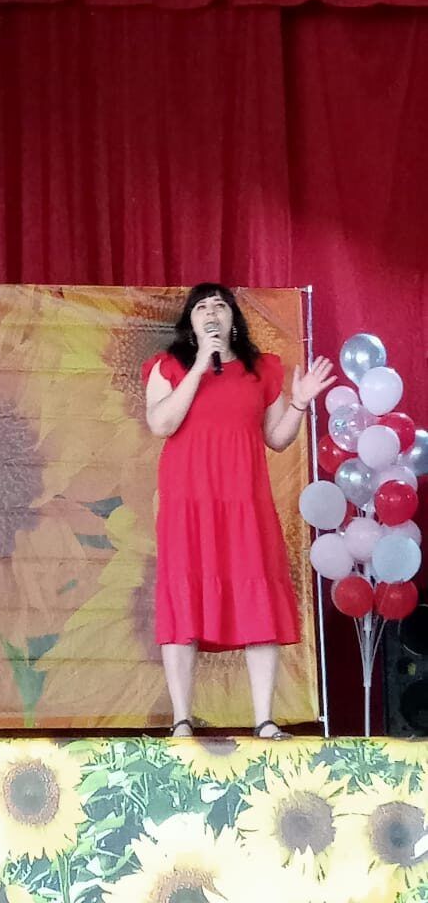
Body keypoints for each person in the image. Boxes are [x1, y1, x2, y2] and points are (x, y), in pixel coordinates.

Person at [141, 284, 335, 738]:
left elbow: (278, 438)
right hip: (188, 506)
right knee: (183, 598)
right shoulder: (167, 366)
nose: (211, 312)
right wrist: (198, 367)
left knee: (256, 597)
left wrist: (300, 402)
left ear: (233, 319)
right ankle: (182, 721)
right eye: (201, 307)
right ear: (190, 322)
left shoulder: (261, 369)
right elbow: (161, 423)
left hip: (245, 503)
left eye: (220, 305)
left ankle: (264, 719)